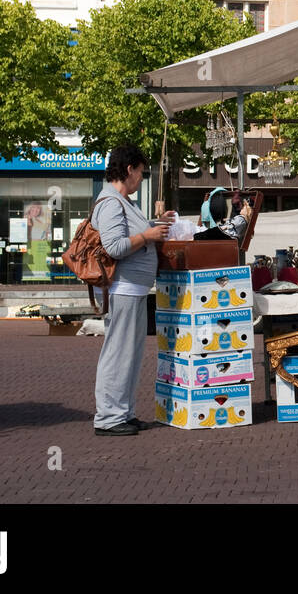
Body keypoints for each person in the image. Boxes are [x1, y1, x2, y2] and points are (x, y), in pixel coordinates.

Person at [93, 144, 174, 436]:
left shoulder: (124, 202)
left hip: (135, 288)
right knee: (118, 352)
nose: (141, 178)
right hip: (123, 288)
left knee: (130, 353)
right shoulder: (112, 202)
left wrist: (156, 225)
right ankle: (108, 417)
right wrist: (148, 235)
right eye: (140, 172)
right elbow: (114, 246)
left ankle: (122, 412)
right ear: (129, 170)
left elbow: (129, 234)